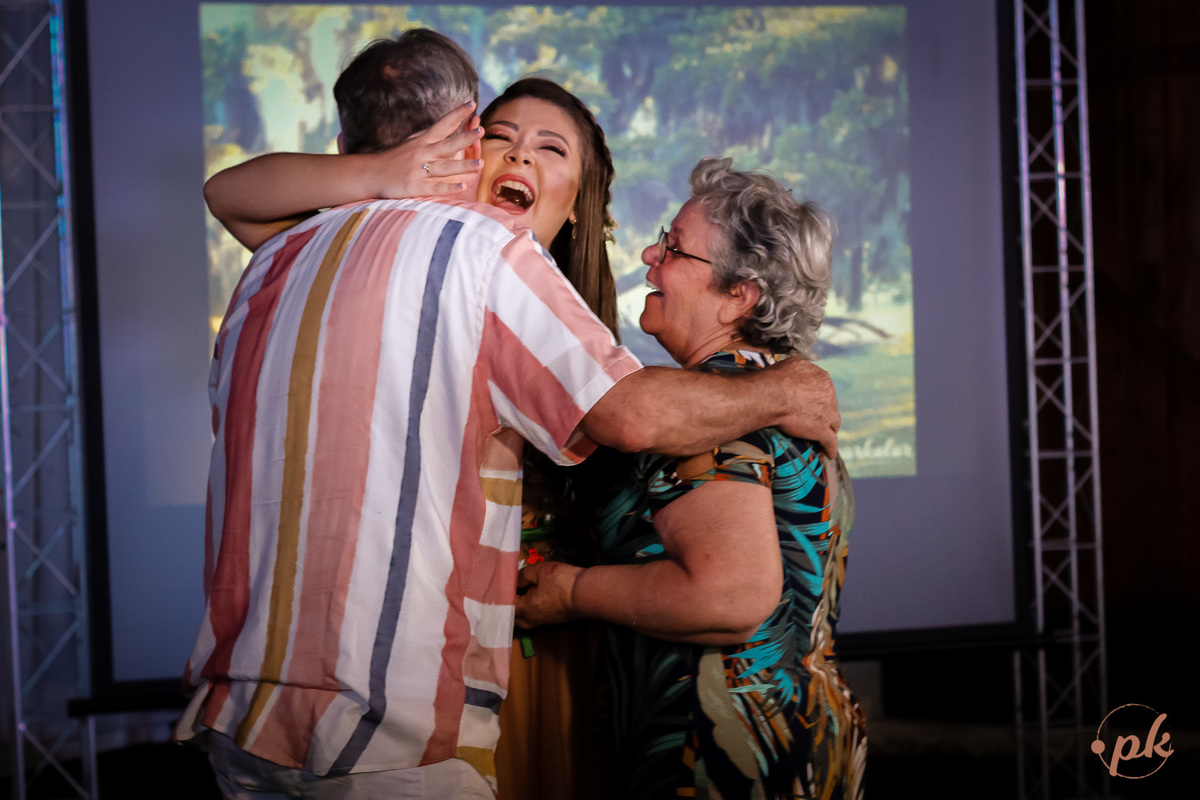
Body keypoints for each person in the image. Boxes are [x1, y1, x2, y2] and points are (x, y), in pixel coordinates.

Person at [181, 31, 842, 800]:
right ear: (462, 147)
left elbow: (225, 195)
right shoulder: (474, 252)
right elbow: (632, 418)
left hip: (264, 711)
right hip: (394, 720)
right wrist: (791, 389)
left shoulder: (285, 255)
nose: (520, 157)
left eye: (550, 149)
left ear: (576, 206)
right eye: (499, 136)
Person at [516, 158, 868, 799]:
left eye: (674, 249)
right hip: (803, 742)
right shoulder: (775, 393)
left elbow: (727, 595)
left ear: (741, 294)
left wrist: (568, 592)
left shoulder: (709, 407)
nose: (649, 254)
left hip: (716, 757)